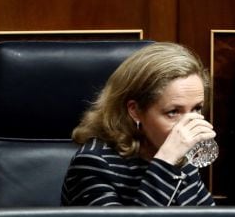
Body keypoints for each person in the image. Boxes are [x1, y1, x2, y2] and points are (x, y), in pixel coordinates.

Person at [61, 42, 217, 206]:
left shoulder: (183, 157)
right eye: (173, 112)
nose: (188, 125)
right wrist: (166, 161)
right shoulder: (94, 162)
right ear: (135, 111)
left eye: (197, 108)